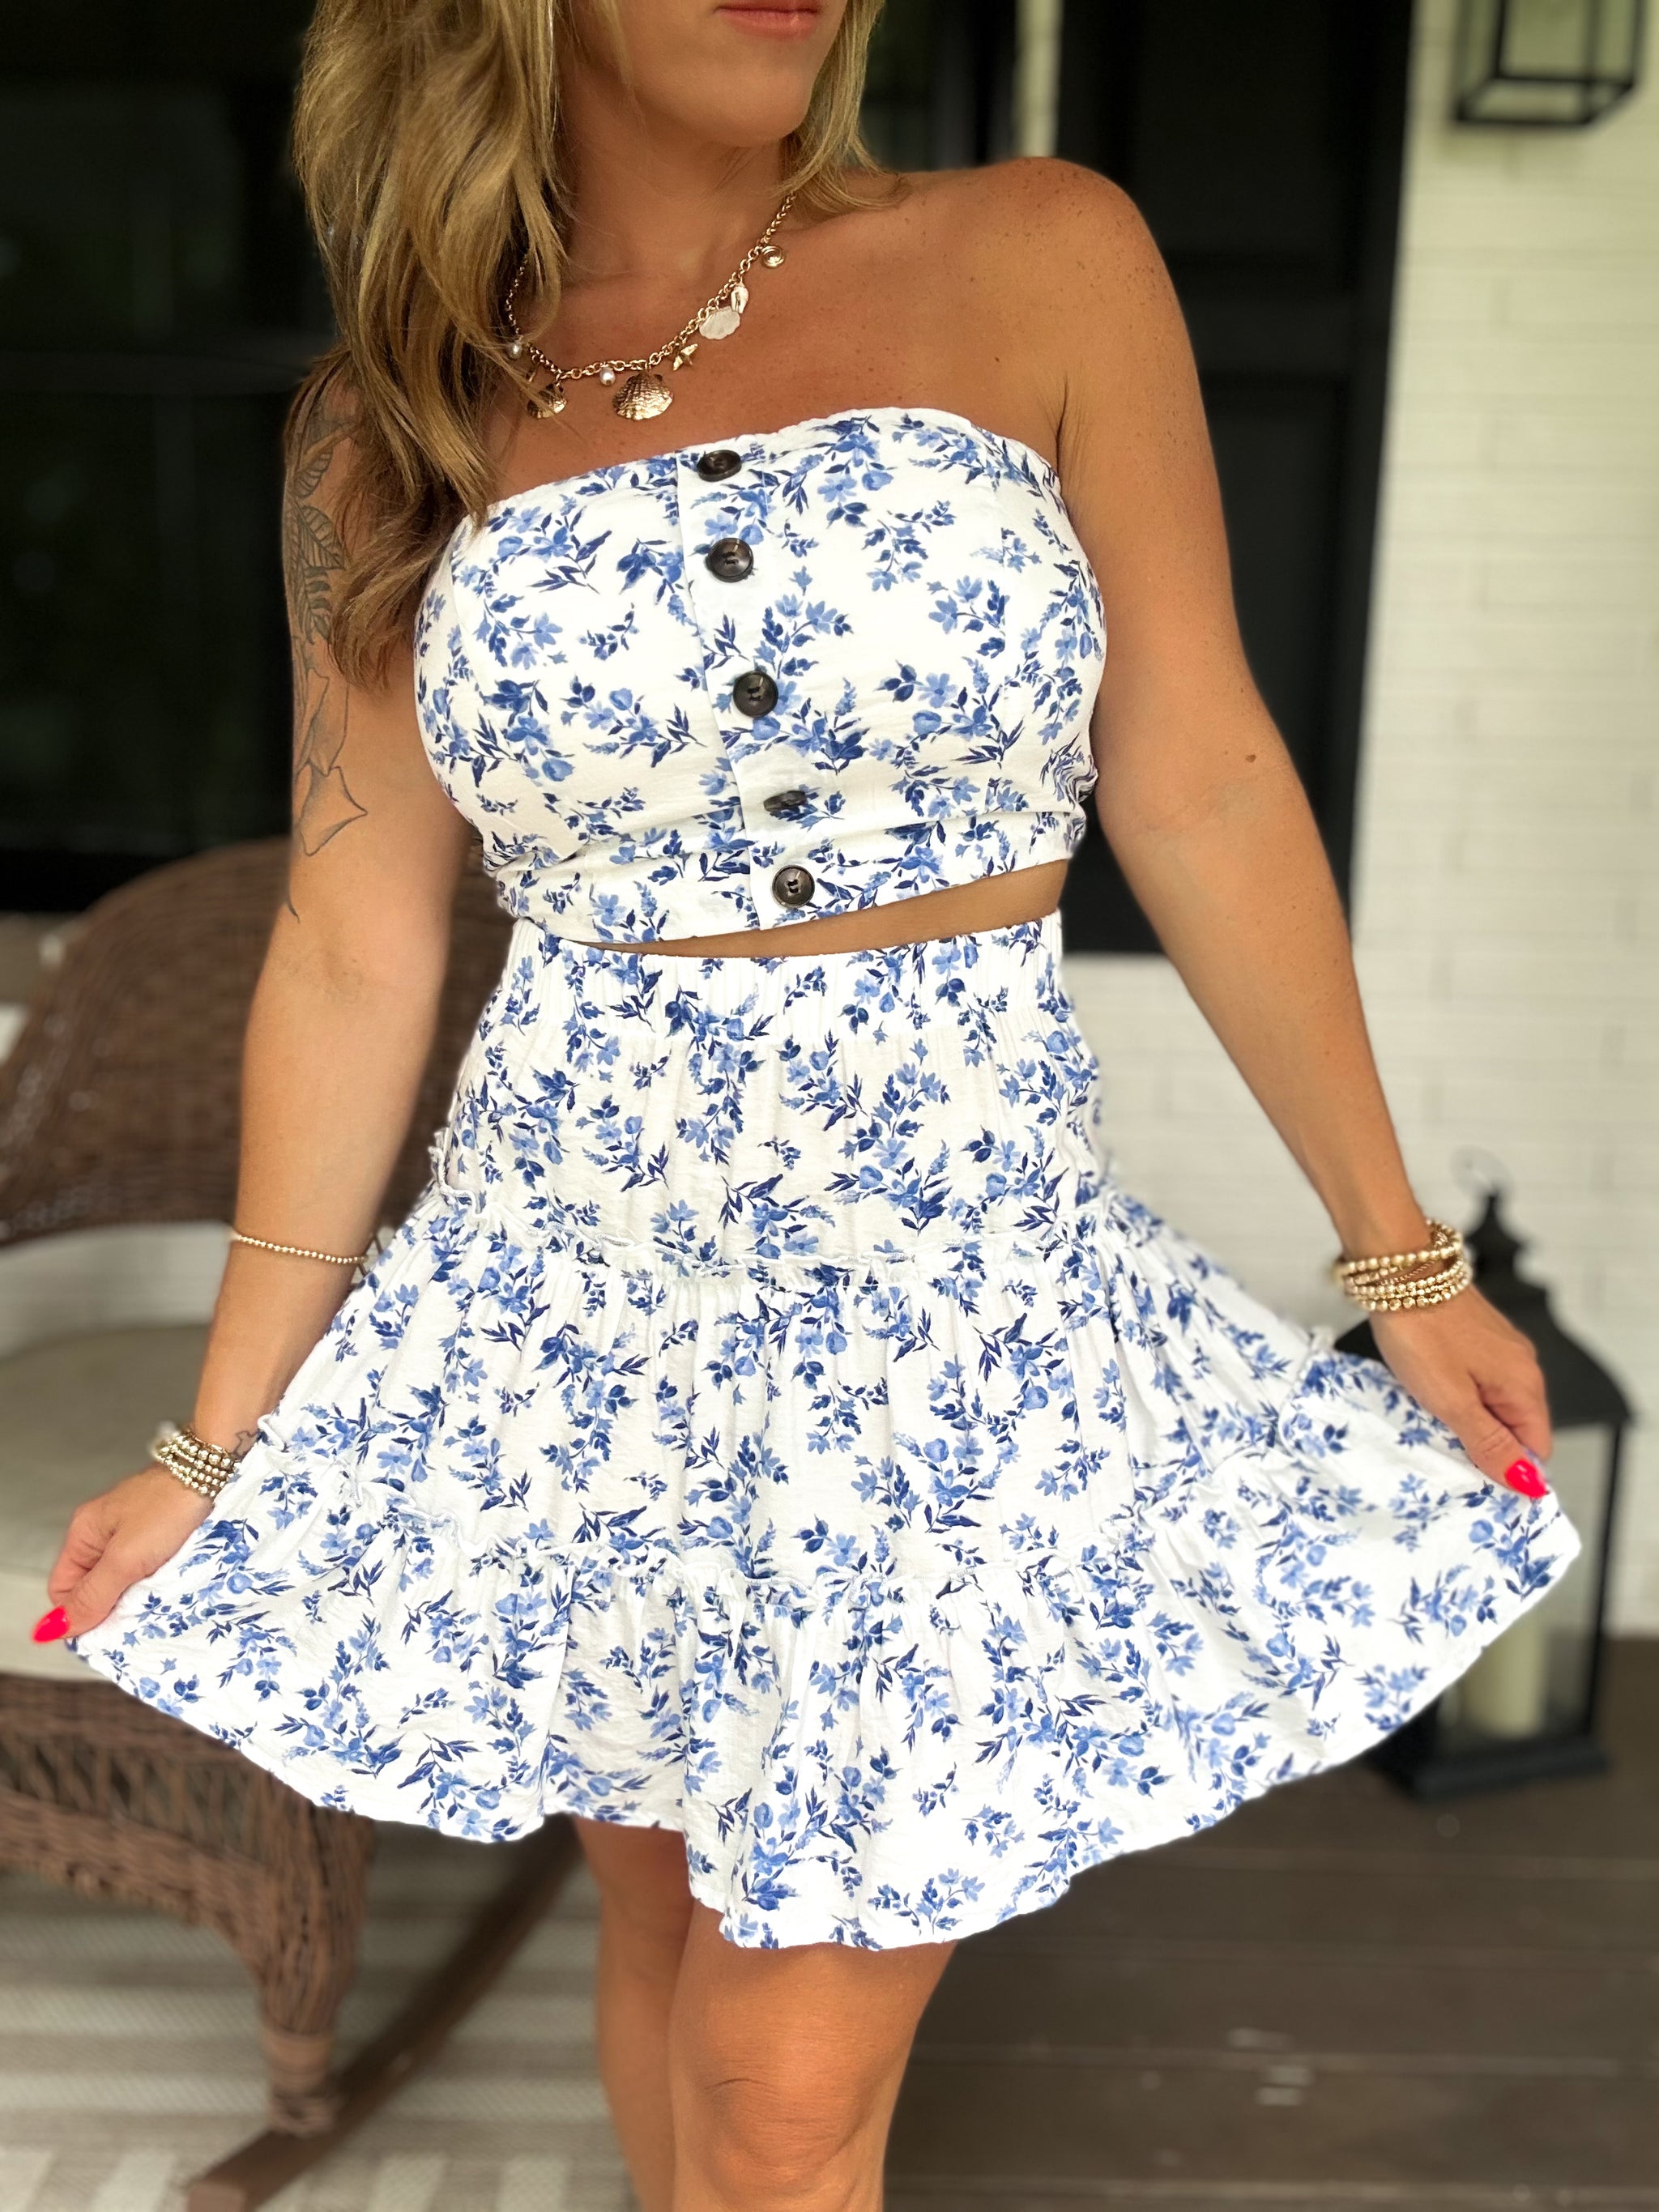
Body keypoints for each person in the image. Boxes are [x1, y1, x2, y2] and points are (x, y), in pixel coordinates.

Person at [37, 2, 1576, 2206]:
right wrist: (217, 1440)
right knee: (658, 1918)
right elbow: (354, 940)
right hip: (566, 1318)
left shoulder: (1044, 253)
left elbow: (1205, 776)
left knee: (781, 2087)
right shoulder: (387, 423)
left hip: (942, 1313)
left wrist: (1396, 1252)